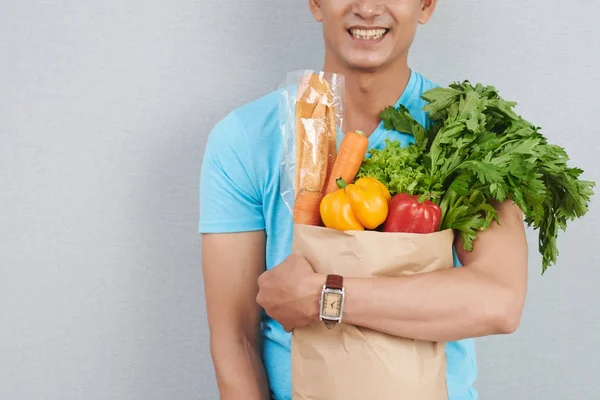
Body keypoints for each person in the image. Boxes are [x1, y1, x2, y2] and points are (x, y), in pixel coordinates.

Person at [198, 1, 528, 399]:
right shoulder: (246, 139)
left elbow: (499, 301)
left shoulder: (467, 134)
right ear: (316, 4)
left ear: (425, 6)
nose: (368, 8)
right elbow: (235, 339)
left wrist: (324, 296)